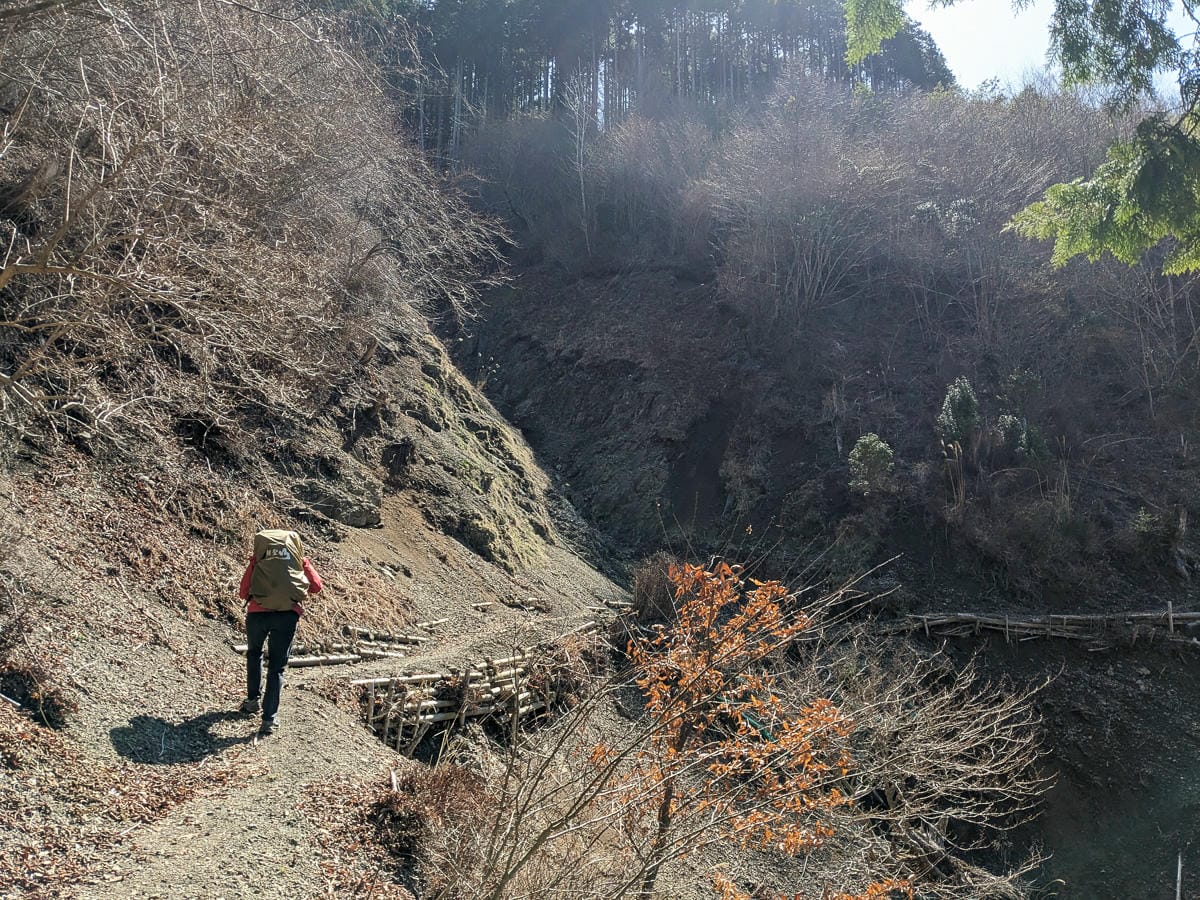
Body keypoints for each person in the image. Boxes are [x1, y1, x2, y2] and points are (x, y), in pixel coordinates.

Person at [238, 529, 323, 735]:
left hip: (257, 614)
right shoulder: (297, 562)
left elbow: (243, 592)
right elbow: (316, 586)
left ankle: (252, 701)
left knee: (254, 653)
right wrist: (302, 563)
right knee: (277, 667)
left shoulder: (258, 560)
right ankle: (269, 720)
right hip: (286, 616)